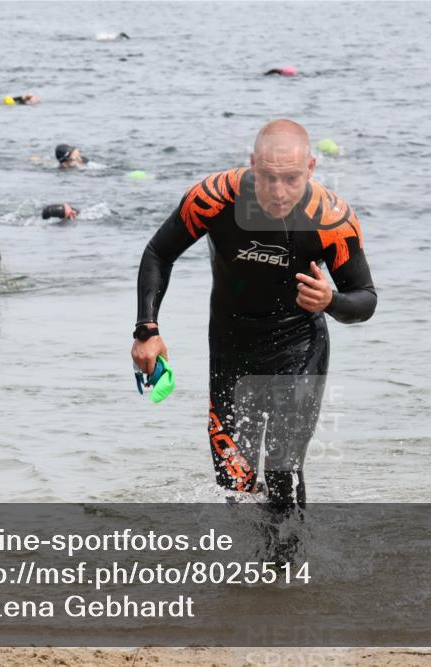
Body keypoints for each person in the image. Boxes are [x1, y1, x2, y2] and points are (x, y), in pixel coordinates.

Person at [131, 119, 376, 518]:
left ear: (311, 168)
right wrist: (147, 329)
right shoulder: (213, 198)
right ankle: (256, 559)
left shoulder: (332, 219)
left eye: (291, 179)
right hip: (231, 348)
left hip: (298, 349)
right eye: (268, 178)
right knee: (235, 482)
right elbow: (160, 253)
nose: (278, 192)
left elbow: (365, 299)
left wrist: (329, 300)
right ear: (252, 164)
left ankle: (293, 556)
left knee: (282, 470)